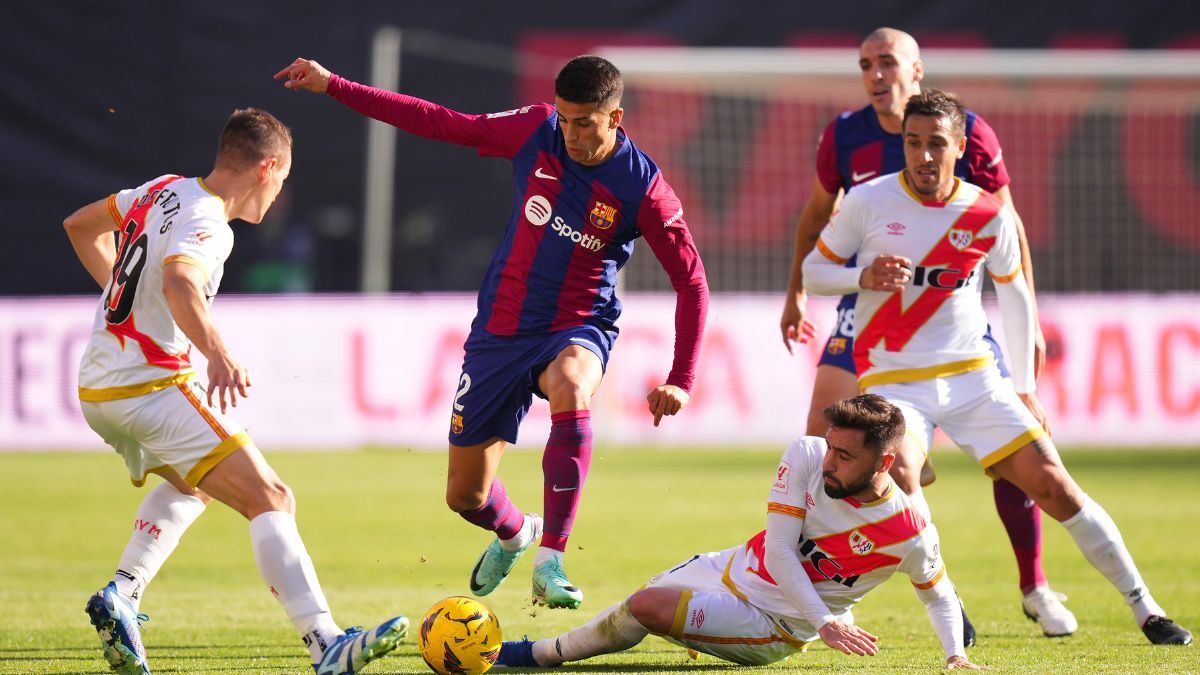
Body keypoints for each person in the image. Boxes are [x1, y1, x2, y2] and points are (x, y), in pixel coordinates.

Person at [275, 55, 708, 610]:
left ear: (615, 118)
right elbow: (438, 120)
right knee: (465, 495)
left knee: (572, 385)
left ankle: (552, 558)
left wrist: (681, 378)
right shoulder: (536, 129)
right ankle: (515, 532)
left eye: (585, 123)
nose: (571, 135)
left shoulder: (642, 188)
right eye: (565, 118)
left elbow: (692, 283)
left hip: (577, 324)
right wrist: (334, 84)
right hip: (500, 332)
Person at [802, 89, 1192, 647]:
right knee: (902, 474)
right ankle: (948, 598)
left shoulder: (987, 212)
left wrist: (1025, 387)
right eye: (913, 143)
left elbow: (1016, 296)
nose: (923, 156)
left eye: (937, 143)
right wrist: (860, 276)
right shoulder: (868, 200)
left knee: (1055, 486)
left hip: (973, 377)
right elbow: (815, 271)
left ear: (961, 147)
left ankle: (1146, 609)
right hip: (893, 379)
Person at [65, 108, 407, 675]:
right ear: (267, 168)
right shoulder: (208, 223)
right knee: (271, 496)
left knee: (193, 485)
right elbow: (179, 280)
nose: (278, 194)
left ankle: (122, 593)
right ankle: (327, 643)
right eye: (283, 180)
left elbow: (79, 225)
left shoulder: (162, 190)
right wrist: (218, 353)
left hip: (98, 388)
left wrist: (128, 302)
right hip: (151, 385)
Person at [778, 26, 1071, 638]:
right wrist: (797, 290)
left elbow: (1005, 224)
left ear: (916, 70)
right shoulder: (845, 134)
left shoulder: (966, 132)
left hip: (949, 321)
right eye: (866, 65)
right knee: (824, 441)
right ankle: (838, 584)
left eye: (888, 62)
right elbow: (814, 215)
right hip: (870, 308)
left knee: (1012, 460)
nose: (876, 74)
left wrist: (1029, 315)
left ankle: (1035, 585)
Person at [493, 395, 987, 670]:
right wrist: (830, 620)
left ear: (884, 463)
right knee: (638, 602)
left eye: (846, 456)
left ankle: (539, 655)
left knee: (647, 608)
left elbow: (939, 595)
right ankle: (693, 629)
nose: (830, 463)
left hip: (775, 623)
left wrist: (954, 658)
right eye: (832, 447)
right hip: (732, 566)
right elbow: (777, 550)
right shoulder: (808, 455)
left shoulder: (909, 531)